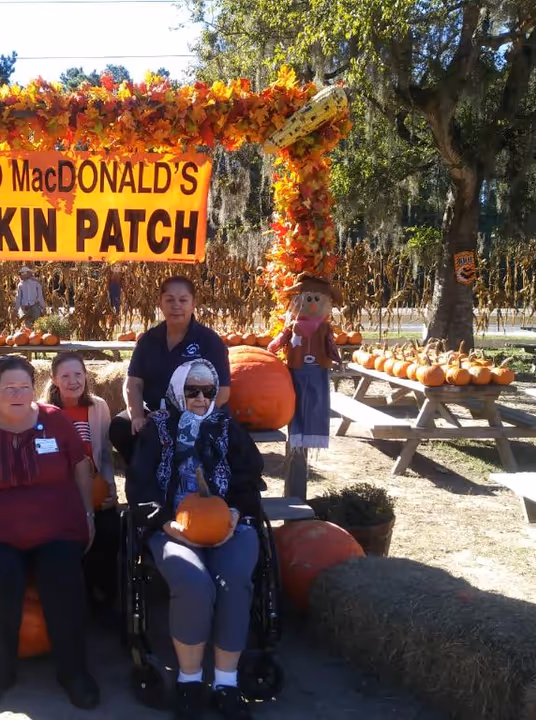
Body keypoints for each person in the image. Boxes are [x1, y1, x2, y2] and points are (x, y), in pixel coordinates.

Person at [0, 355, 100, 712]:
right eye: (8, 387)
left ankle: (73, 671)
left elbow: (80, 467)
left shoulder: (55, 421)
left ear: (34, 389)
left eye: (24, 387)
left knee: (63, 579)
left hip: (57, 528)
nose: (16, 393)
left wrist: (87, 513)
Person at [127, 359, 266, 720]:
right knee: (193, 581)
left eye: (208, 390)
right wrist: (166, 524)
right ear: (176, 391)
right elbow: (140, 487)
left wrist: (235, 513)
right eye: (192, 390)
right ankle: (189, 681)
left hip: (230, 525)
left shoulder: (227, 426)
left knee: (234, 580)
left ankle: (226, 682)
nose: (202, 398)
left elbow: (249, 479)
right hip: (171, 527)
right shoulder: (156, 429)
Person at [110, 275, 231, 466]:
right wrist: (137, 416)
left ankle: (176, 480)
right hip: (155, 411)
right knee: (121, 427)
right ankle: (145, 478)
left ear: (193, 304)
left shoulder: (209, 341)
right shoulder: (148, 340)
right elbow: (133, 383)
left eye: (183, 300)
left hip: (197, 413)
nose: (176, 305)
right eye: (169, 300)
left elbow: (223, 392)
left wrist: (191, 417)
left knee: (167, 432)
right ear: (161, 303)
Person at [43, 351, 120, 612]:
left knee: (109, 530)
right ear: (54, 379)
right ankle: (77, 594)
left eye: (78, 374)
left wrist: (110, 487)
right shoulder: (44, 413)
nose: (73, 381)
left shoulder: (97, 407)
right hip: (61, 494)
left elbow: (106, 454)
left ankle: (103, 592)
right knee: (66, 537)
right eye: (65, 376)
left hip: (95, 489)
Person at [267, 274, 343, 449]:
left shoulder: (325, 328)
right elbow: (281, 339)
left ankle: (315, 436)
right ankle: (296, 434)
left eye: (317, 299)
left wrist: (336, 358)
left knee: (318, 402)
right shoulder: (293, 325)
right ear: (298, 301)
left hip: (319, 368)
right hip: (297, 369)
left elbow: (330, 344)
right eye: (308, 299)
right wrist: (272, 348)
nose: (313, 303)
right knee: (296, 402)